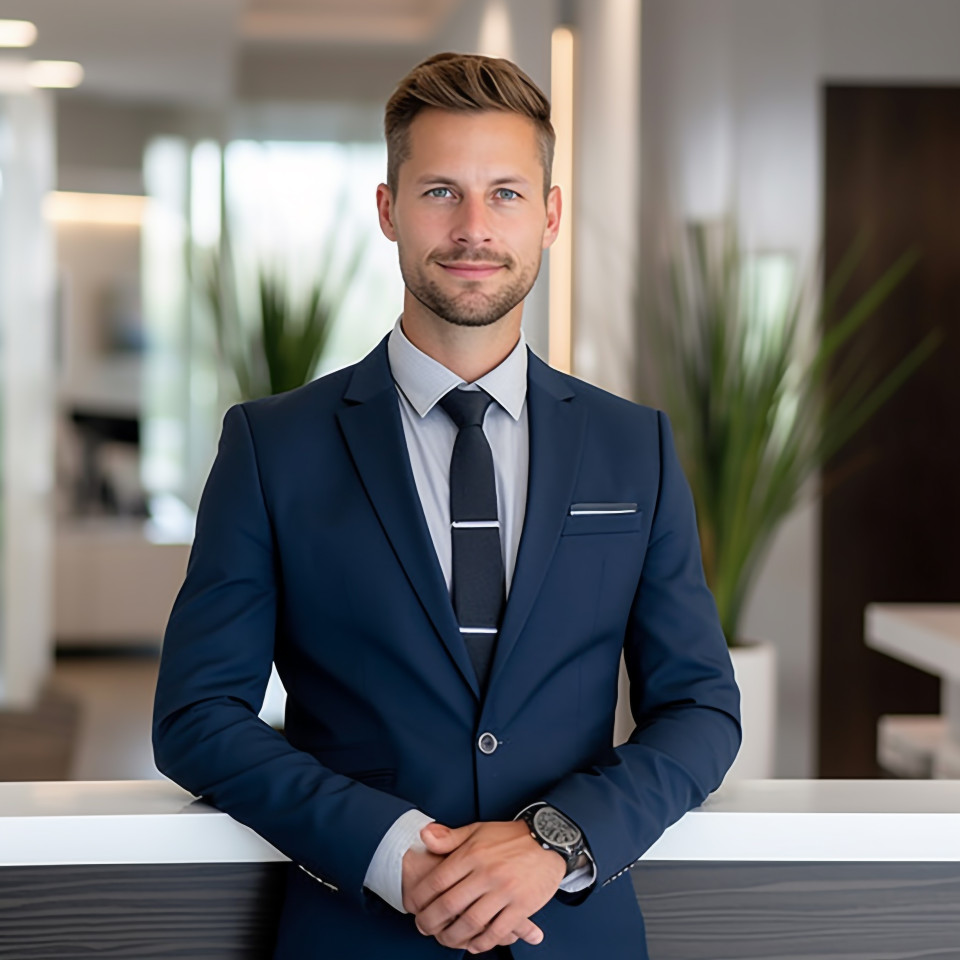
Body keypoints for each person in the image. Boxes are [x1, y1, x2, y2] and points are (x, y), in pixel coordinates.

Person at [152, 52, 741, 960]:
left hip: (574, 937)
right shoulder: (273, 447)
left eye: (506, 194)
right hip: (355, 931)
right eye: (440, 192)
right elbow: (197, 716)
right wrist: (393, 854)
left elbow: (702, 707)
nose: (474, 227)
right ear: (389, 210)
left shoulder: (637, 447)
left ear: (549, 217)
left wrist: (557, 838)